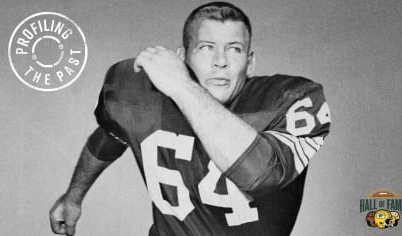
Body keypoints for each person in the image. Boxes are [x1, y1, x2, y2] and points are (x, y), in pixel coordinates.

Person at [49, 2, 331, 236]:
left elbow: (261, 175)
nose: (220, 61)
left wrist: (182, 86)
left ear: (250, 62)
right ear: (183, 57)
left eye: (234, 49)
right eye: (206, 47)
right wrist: (73, 196)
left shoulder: (289, 100)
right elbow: (111, 135)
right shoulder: (137, 93)